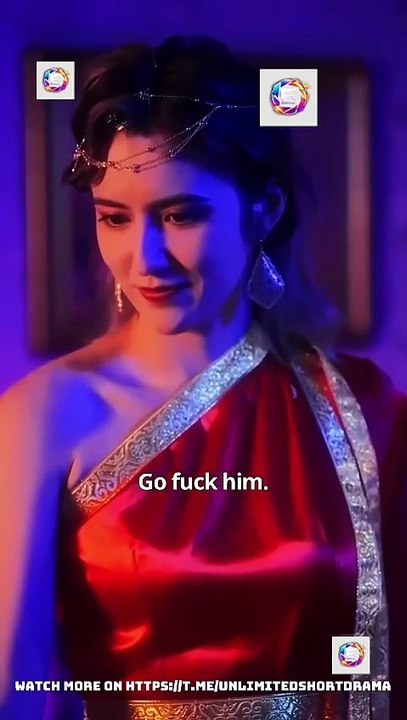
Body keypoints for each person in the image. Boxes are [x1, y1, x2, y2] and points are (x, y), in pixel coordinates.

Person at [0, 34, 406, 720]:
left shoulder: (362, 410)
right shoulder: (47, 413)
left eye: (179, 215)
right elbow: (13, 689)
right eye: (114, 218)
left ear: (264, 209)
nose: (144, 258)